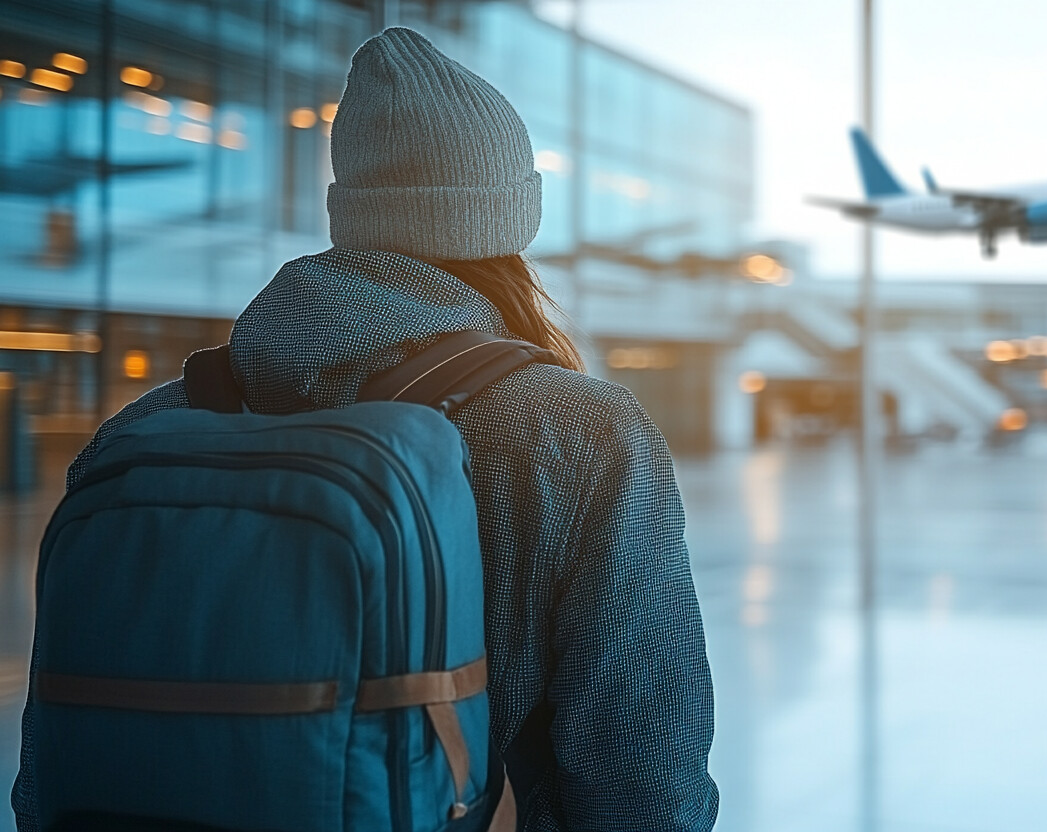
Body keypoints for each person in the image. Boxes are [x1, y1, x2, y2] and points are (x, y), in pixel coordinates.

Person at [12, 26, 718, 832]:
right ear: (511, 219)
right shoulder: (580, 431)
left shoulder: (145, 429)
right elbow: (644, 781)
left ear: (350, 208)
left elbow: (49, 767)